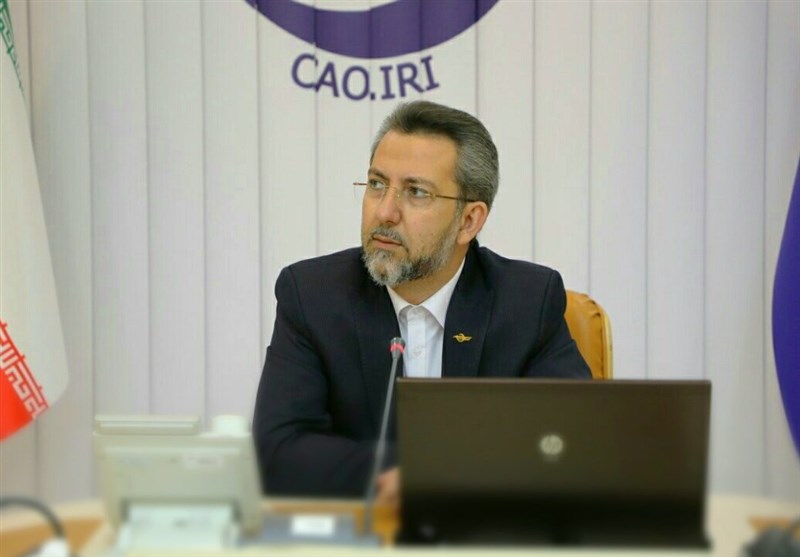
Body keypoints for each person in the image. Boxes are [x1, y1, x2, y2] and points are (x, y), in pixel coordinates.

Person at [253, 100, 591, 504]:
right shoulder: (313, 296)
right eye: (377, 184)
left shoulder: (527, 301)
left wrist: (437, 474)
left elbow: (570, 442)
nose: (385, 211)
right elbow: (278, 454)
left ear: (469, 220)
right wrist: (426, 473)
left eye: (416, 192)